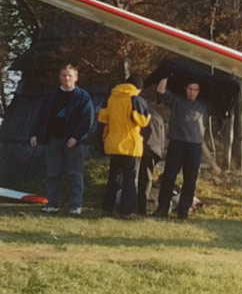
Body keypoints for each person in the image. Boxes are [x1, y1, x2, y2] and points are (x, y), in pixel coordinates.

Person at [30, 64, 95, 215]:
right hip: (52, 139)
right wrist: (35, 134)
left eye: (70, 76)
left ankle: (75, 206)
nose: (67, 78)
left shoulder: (83, 96)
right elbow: (40, 115)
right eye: (64, 75)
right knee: (53, 173)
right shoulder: (51, 95)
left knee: (75, 173)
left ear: (76, 78)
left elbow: (87, 120)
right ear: (60, 77)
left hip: (73, 142)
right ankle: (52, 204)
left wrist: (76, 137)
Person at [153, 76, 213, 219]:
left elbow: (221, 100)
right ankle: (162, 208)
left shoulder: (204, 104)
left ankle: (183, 211)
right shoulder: (177, 101)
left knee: (190, 179)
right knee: (169, 177)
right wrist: (166, 75)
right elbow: (161, 91)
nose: (192, 92)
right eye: (190, 89)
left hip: (194, 146)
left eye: (196, 90)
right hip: (177, 143)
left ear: (199, 91)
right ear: (185, 89)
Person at [98, 74, 152, 217]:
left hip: (113, 142)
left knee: (114, 176)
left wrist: (102, 140)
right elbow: (143, 121)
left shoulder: (111, 98)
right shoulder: (135, 99)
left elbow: (102, 119)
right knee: (129, 178)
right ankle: (126, 210)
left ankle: (107, 208)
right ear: (138, 88)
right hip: (130, 144)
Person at [137, 105, 166, 216]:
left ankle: (130, 205)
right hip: (153, 149)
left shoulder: (137, 112)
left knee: (133, 176)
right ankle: (142, 207)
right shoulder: (157, 116)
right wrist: (159, 152)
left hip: (138, 147)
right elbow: (161, 137)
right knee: (146, 178)